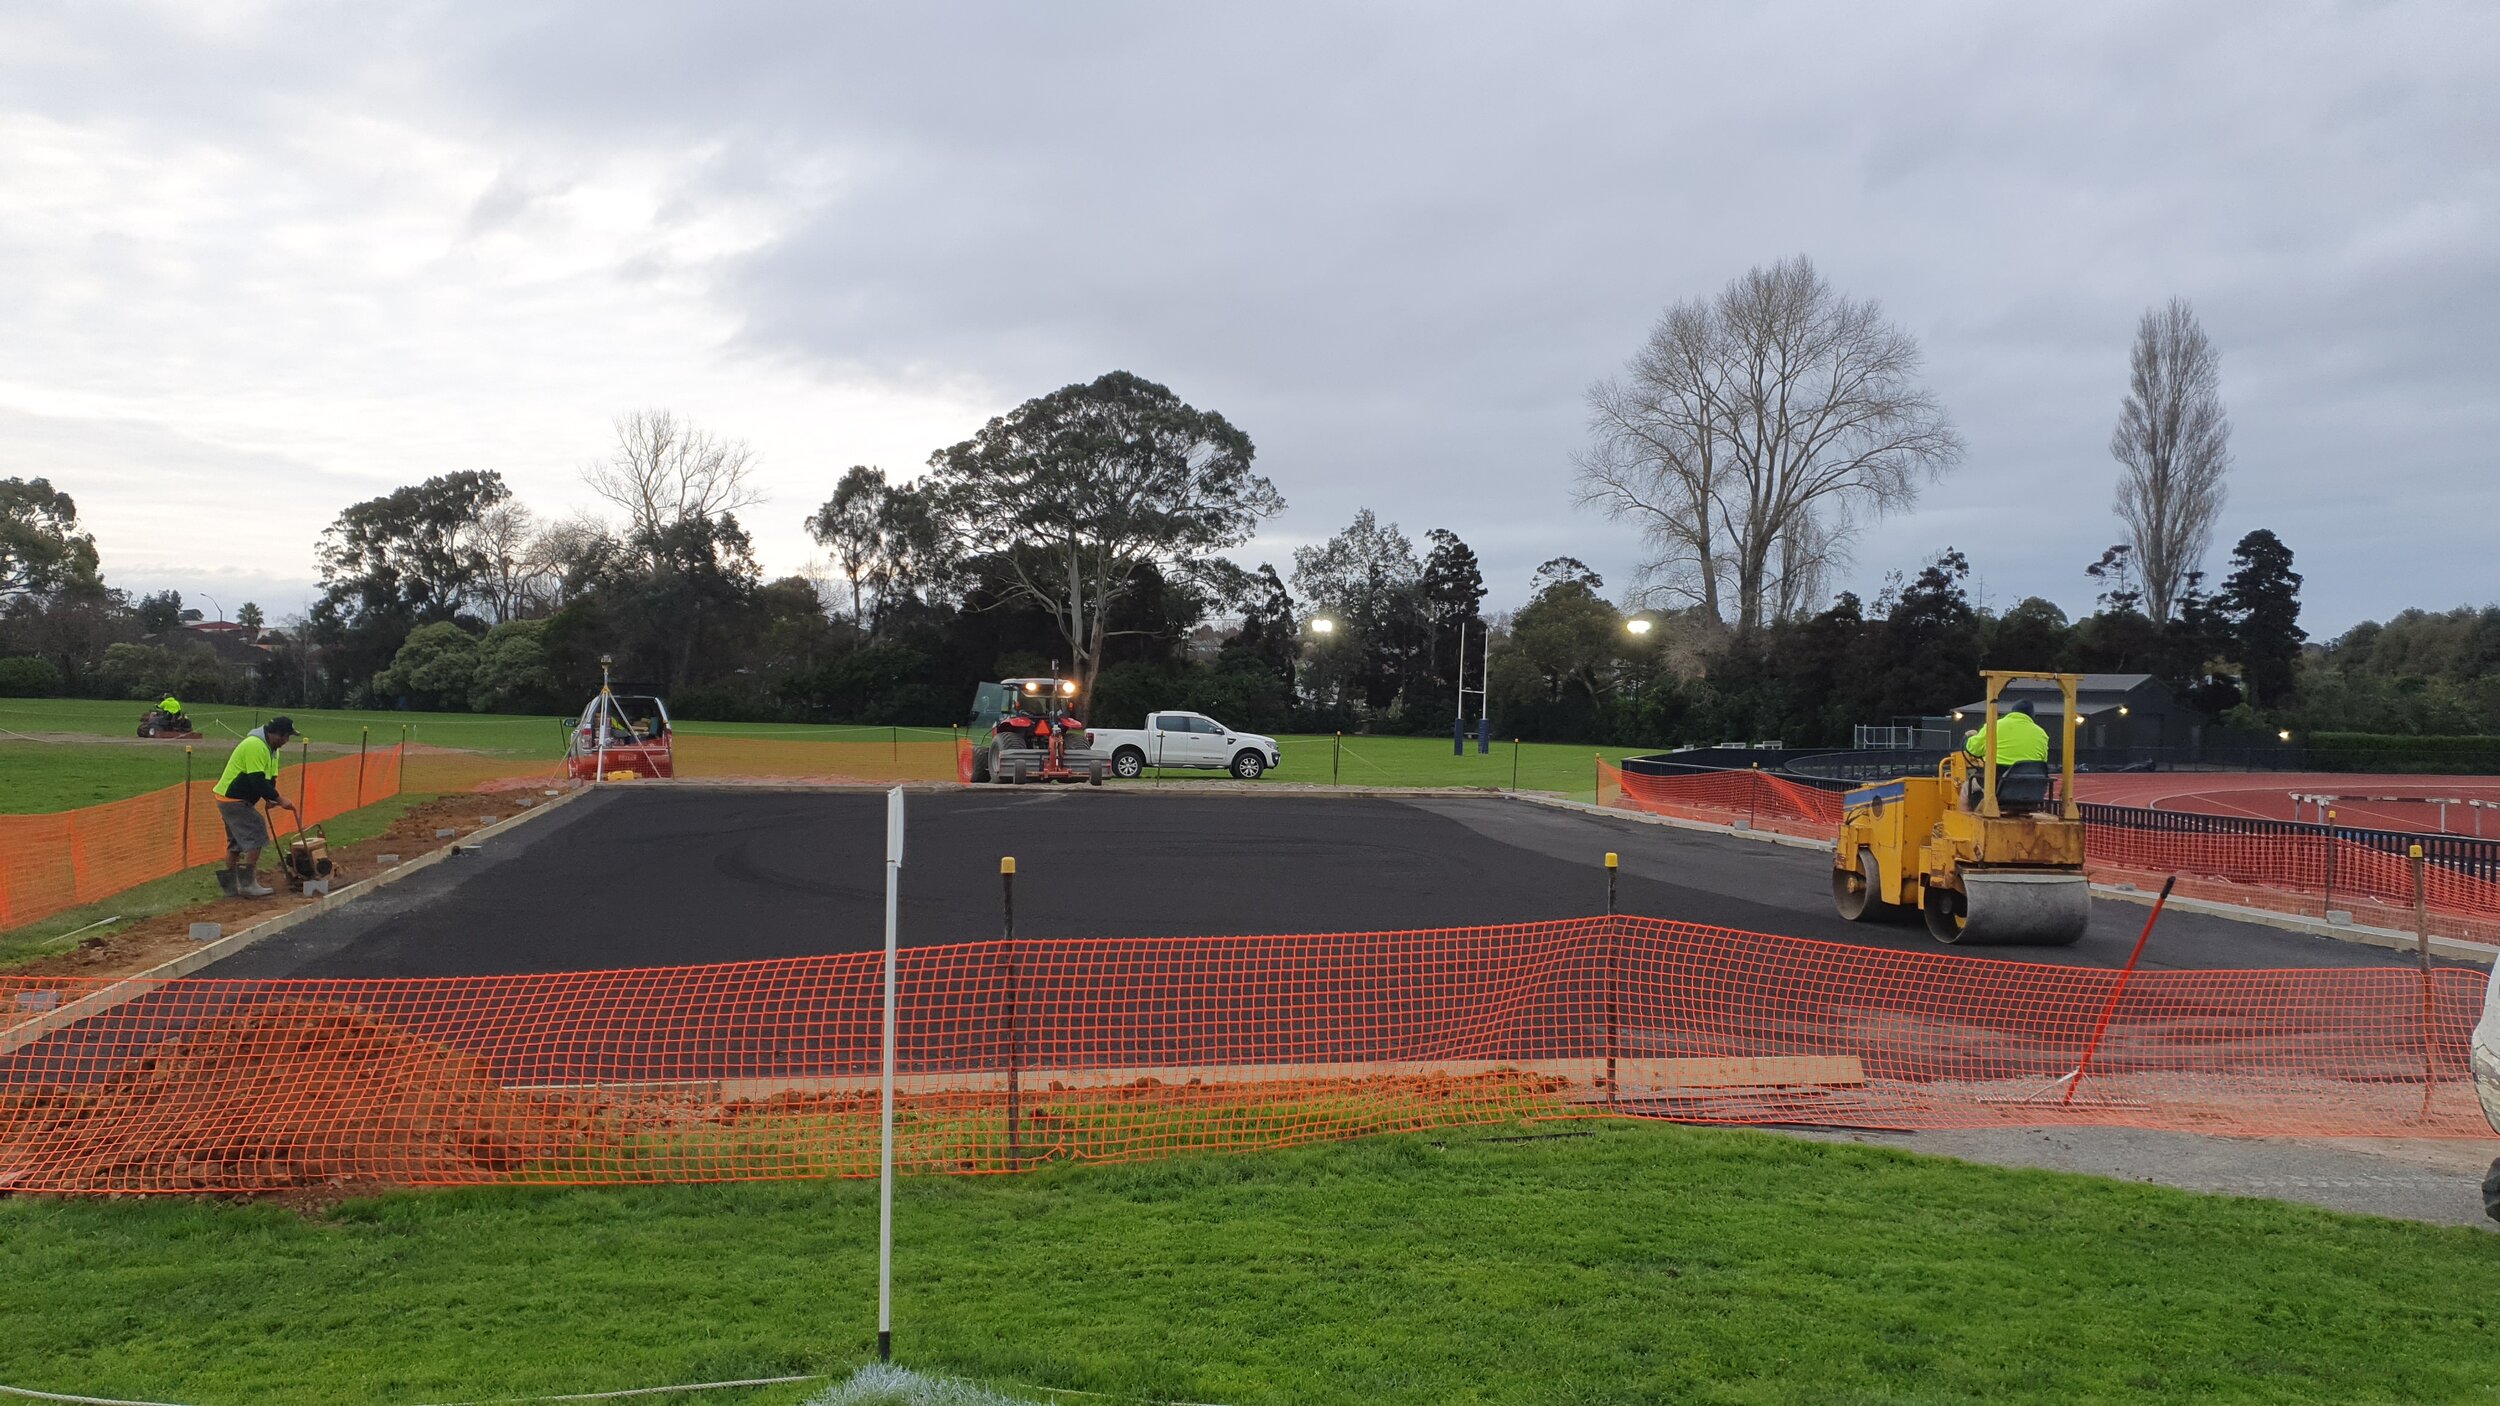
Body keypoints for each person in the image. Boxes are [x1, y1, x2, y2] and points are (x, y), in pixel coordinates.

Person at [212, 715, 301, 898]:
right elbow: (257, 780)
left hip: (233, 798)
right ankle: (247, 885)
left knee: (236, 843)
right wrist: (281, 799)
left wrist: (271, 798)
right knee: (256, 833)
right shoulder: (255, 745)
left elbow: (270, 778)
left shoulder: (272, 750)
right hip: (233, 798)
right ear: (277, 734)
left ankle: (230, 887)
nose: (287, 741)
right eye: (286, 737)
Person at [1962, 698, 2052, 805]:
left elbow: (1974, 749)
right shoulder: (2041, 733)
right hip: (2030, 789)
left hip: (1997, 785)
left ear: (2012, 712)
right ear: (2032, 716)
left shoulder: (1994, 725)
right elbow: (2043, 761)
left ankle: (1962, 820)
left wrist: (1968, 738)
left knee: (1966, 788)